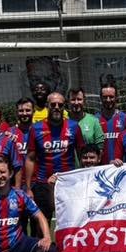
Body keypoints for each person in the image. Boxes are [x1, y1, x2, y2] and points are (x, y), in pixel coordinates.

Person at [23, 91, 86, 231]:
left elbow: (82, 155)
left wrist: (83, 180)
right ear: (47, 106)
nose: (56, 107)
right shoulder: (36, 128)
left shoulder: (74, 127)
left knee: (71, 225)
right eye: (53, 104)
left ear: (65, 106)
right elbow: (30, 158)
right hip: (42, 184)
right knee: (40, 228)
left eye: (60, 104)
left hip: (68, 184)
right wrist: (28, 188)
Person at [97, 83, 126, 164]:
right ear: (101, 98)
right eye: (105, 97)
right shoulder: (95, 120)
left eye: (111, 97)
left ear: (116, 97)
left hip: (121, 168)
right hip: (102, 169)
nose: (108, 100)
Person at [67, 86, 105, 151]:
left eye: (79, 99)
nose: (76, 103)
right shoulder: (63, 121)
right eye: (73, 99)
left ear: (84, 100)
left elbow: (100, 148)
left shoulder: (93, 121)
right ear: (68, 101)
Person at [10, 97, 35, 162]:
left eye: (28, 110)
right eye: (21, 111)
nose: (24, 113)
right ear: (16, 112)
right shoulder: (10, 133)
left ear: (33, 111)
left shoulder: (39, 131)